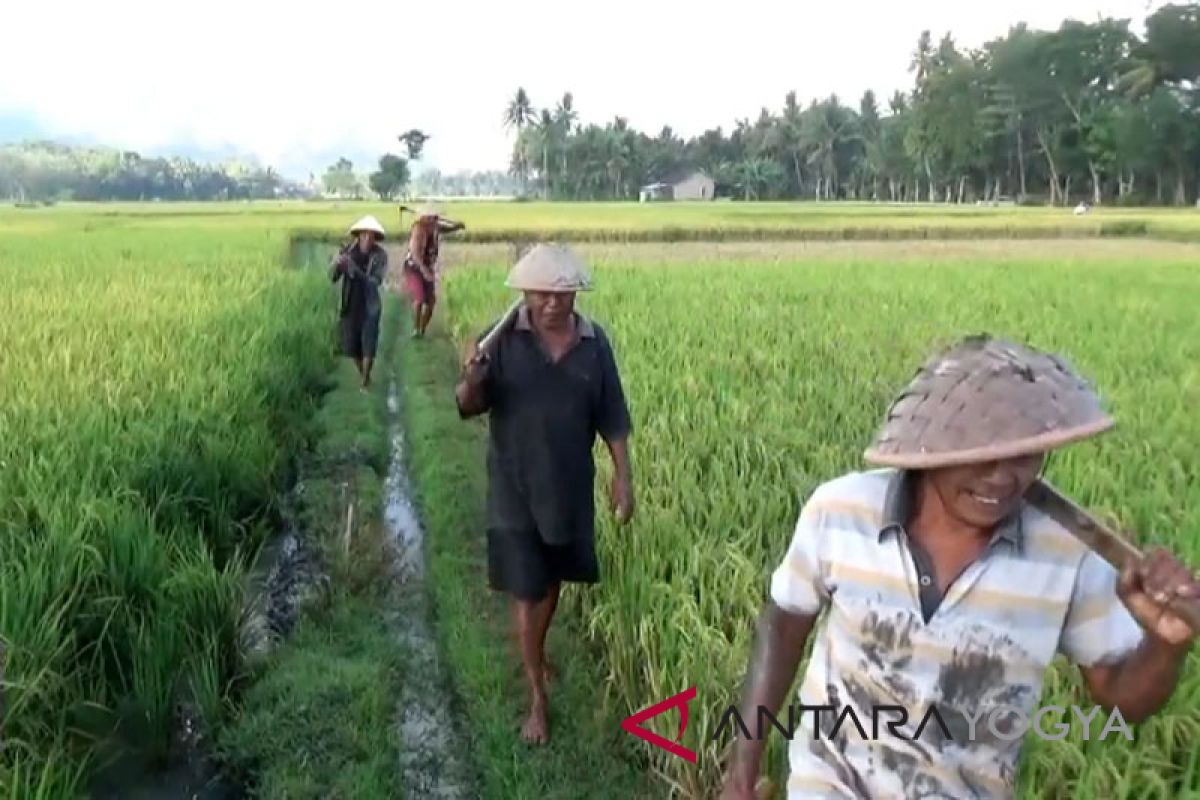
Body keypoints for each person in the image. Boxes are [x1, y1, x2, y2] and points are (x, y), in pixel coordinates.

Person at [720, 334, 1198, 799]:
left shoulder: (1069, 555)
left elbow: (1121, 698)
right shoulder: (841, 512)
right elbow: (783, 625)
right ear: (929, 448)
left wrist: (1166, 645)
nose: (1003, 475)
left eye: (1025, 453)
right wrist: (743, 770)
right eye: (980, 452)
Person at [454, 243, 635, 745]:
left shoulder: (595, 345)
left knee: (553, 582)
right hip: (514, 483)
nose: (552, 302)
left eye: (561, 292)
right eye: (541, 293)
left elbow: (612, 415)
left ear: (575, 291)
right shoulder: (502, 339)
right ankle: (537, 696)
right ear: (526, 293)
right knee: (528, 586)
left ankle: (535, 648)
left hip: (568, 484)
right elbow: (468, 405)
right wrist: (472, 377)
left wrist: (623, 476)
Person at [330, 215, 388, 389]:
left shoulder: (380, 255)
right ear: (358, 235)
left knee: (369, 342)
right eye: (364, 235)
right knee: (352, 345)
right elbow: (333, 277)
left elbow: (375, 281)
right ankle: (364, 374)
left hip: (370, 303)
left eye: (371, 236)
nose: (367, 239)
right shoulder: (347, 251)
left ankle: (364, 381)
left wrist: (355, 269)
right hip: (351, 301)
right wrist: (338, 265)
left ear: (375, 238)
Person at [403, 204, 465, 338]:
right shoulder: (418, 229)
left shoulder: (435, 227)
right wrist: (424, 270)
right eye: (432, 217)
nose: (435, 220)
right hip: (414, 267)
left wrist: (457, 226)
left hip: (428, 267)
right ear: (425, 218)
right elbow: (415, 253)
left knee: (431, 302)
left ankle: (422, 330)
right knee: (419, 299)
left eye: (436, 217)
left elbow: (445, 229)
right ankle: (415, 329)